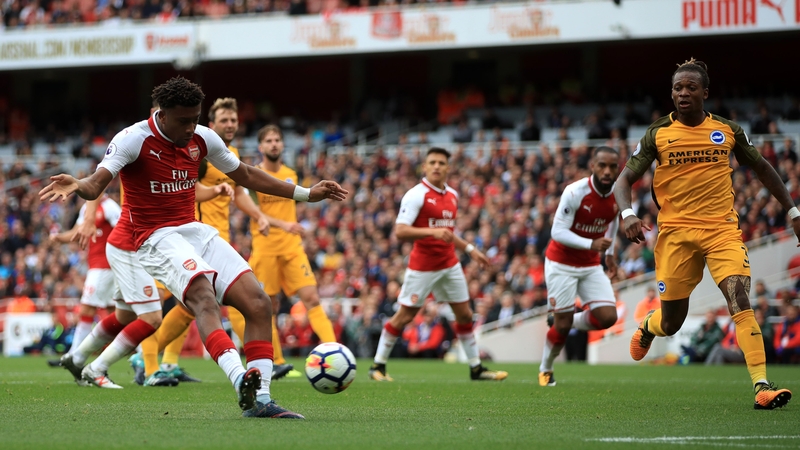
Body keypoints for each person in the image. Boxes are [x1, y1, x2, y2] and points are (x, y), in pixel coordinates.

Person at [40, 76, 347, 418]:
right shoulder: (132, 139)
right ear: (162, 114)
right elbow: (97, 184)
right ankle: (238, 377)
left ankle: (261, 400)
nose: (191, 127)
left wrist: (306, 193)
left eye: (196, 119)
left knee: (259, 303)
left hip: (195, 232)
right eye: (184, 121)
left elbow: (244, 174)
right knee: (201, 295)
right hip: (154, 239)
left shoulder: (203, 138)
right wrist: (77, 184)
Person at [614, 58, 795, 410]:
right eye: (677, 88)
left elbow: (762, 168)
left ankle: (761, 385)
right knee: (672, 321)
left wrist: (792, 209)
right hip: (676, 235)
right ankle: (649, 327)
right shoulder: (657, 133)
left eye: (690, 87)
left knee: (740, 300)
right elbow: (624, 180)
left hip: (721, 231)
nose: (682, 93)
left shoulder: (728, 130)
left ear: (705, 93)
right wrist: (627, 213)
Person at [134, 97, 274, 385]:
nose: (230, 125)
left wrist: (258, 214)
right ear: (211, 123)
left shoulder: (227, 152)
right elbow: (187, 188)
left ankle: (166, 361)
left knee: (191, 308)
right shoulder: (197, 149)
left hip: (215, 237)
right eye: (224, 120)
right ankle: (147, 359)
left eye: (233, 120)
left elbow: (241, 191)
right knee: (172, 304)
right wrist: (214, 192)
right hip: (181, 238)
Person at [58, 180, 234, 388]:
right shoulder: (141, 150)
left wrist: (214, 189)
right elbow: (99, 179)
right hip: (132, 246)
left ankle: (77, 358)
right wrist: (88, 219)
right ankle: (99, 369)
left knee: (125, 315)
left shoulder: (171, 158)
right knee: (151, 318)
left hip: (141, 244)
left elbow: (187, 187)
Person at [368, 147, 507, 382]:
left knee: (464, 315)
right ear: (424, 166)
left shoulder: (452, 194)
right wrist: (432, 232)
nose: (436, 166)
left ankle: (476, 368)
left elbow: (448, 233)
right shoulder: (416, 195)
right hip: (422, 267)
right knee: (404, 316)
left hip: (450, 264)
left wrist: (471, 249)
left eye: (441, 163)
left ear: (448, 168)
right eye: (432, 162)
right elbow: (400, 231)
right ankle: (377, 367)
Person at [248, 124, 339, 378]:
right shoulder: (253, 175)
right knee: (270, 306)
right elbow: (253, 210)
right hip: (265, 247)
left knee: (312, 297)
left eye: (277, 140)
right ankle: (277, 362)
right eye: (269, 140)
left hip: (292, 247)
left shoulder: (291, 174)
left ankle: (334, 354)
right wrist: (283, 224)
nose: (274, 144)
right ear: (261, 147)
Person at [538, 146, 621, 387]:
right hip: (561, 263)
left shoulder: (619, 193)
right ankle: (546, 368)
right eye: (602, 165)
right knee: (561, 330)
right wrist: (592, 243)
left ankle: (564, 320)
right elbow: (557, 231)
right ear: (593, 167)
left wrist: (611, 254)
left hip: (591, 264)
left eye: (612, 166)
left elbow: (614, 221)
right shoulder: (575, 192)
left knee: (607, 317)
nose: (607, 171)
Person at [48, 195, 120, 363]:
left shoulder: (110, 206)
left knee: (87, 309)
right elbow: (76, 232)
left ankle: (73, 355)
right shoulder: (87, 208)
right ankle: (139, 352)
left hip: (105, 266)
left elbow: (123, 230)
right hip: (98, 266)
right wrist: (59, 238)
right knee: (114, 313)